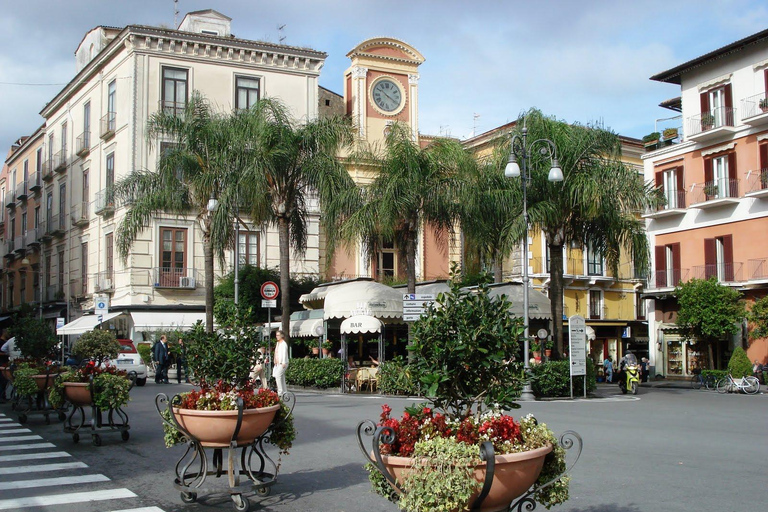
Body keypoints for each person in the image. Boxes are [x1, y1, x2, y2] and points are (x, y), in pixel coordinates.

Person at [272, 330, 289, 397]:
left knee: (278, 376)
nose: (277, 337)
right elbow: (276, 352)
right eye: (276, 335)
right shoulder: (278, 343)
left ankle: (280, 392)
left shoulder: (283, 344)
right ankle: (285, 393)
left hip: (282, 363)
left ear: (282, 336)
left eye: (278, 335)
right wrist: (275, 360)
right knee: (281, 377)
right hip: (278, 363)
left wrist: (283, 362)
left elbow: (284, 353)